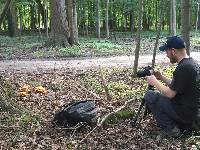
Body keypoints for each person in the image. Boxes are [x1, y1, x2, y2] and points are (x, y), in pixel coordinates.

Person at [144, 36, 200, 137]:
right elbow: (178, 86)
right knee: (162, 93)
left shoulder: (183, 68)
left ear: (173, 51)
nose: (166, 55)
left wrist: (155, 82)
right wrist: (161, 77)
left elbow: (170, 94)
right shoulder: (192, 63)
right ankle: (181, 125)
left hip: (188, 115)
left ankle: (172, 130)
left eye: (167, 51)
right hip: (194, 113)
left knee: (150, 95)